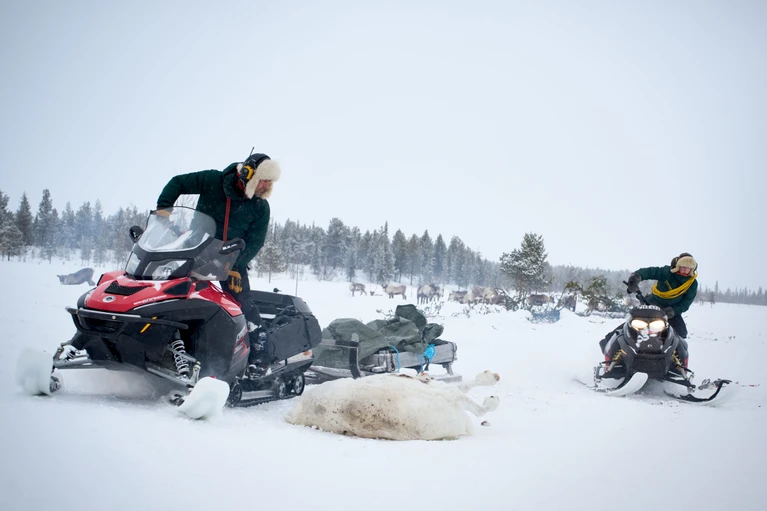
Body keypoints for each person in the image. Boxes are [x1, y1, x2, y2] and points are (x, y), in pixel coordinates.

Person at [156, 152, 281, 376]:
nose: (267, 186)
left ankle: (259, 358)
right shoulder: (212, 181)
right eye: (264, 180)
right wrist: (164, 209)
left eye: (270, 182)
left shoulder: (260, 206)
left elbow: (255, 242)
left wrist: (236, 264)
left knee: (242, 303)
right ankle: (163, 343)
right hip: (196, 251)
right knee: (171, 294)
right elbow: (178, 182)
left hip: (232, 260)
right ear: (248, 174)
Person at [625, 252, 698, 339]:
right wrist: (635, 279)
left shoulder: (692, 284)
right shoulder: (666, 272)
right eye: (683, 267)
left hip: (672, 312)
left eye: (688, 268)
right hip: (651, 305)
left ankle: (674, 351)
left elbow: (685, 303)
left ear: (692, 269)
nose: (685, 270)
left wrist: (672, 311)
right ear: (677, 265)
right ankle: (613, 344)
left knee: (681, 333)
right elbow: (649, 272)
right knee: (632, 325)